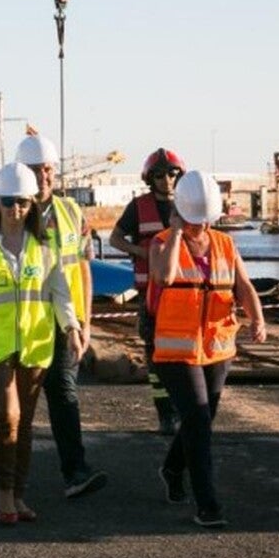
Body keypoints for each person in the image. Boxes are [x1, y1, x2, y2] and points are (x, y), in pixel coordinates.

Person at [0, 163, 85, 525]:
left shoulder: (44, 247)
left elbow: (61, 293)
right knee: (6, 415)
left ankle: (20, 495)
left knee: (24, 422)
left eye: (23, 203)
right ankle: (4, 494)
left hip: (35, 345)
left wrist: (71, 328)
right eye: (8, 203)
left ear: (32, 206)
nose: (15, 211)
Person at [148, 170, 266, 528]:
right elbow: (164, 277)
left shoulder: (225, 244)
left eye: (204, 221)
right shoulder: (161, 242)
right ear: (181, 213)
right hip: (176, 352)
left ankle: (171, 467)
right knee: (198, 419)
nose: (201, 227)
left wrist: (257, 319)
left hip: (217, 348)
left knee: (202, 418)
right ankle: (208, 504)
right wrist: (178, 233)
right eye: (193, 220)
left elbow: (243, 285)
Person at [15, 133, 108, 498]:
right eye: (36, 170)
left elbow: (83, 269)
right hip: (26, 323)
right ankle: (11, 481)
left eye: (48, 169)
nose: (44, 177)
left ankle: (76, 471)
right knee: (20, 406)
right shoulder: (12, 212)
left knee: (65, 392)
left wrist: (84, 323)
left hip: (63, 323)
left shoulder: (71, 212)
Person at [109, 148, 187, 435]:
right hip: (151, 295)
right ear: (149, 178)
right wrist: (140, 250)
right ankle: (165, 413)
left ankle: (183, 409)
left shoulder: (188, 204)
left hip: (184, 293)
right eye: (159, 175)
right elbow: (116, 238)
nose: (166, 179)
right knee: (155, 356)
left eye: (172, 173)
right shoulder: (138, 207)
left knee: (183, 356)